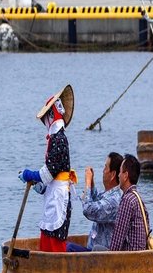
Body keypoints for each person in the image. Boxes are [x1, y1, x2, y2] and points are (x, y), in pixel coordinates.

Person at [19, 84, 76, 253]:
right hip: (54, 193)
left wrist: (29, 174)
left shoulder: (59, 140)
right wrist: (41, 187)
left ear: (51, 116)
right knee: (47, 236)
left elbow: (49, 173)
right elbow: (52, 174)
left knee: (54, 241)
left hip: (59, 197)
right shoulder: (56, 138)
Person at [69, 151, 123, 252]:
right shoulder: (110, 195)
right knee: (65, 245)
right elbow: (98, 200)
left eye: (105, 167)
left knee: (67, 248)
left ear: (113, 174)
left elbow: (88, 210)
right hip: (94, 252)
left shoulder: (114, 200)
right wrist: (92, 184)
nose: (103, 171)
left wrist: (88, 183)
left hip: (101, 257)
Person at [109, 154, 150, 252]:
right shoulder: (137, 197)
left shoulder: (127, 200)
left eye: (120, 172)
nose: (118, 175)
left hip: (129, 259)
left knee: (96, 249)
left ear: (126, 175)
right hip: (140, 254)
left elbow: (116, 242)